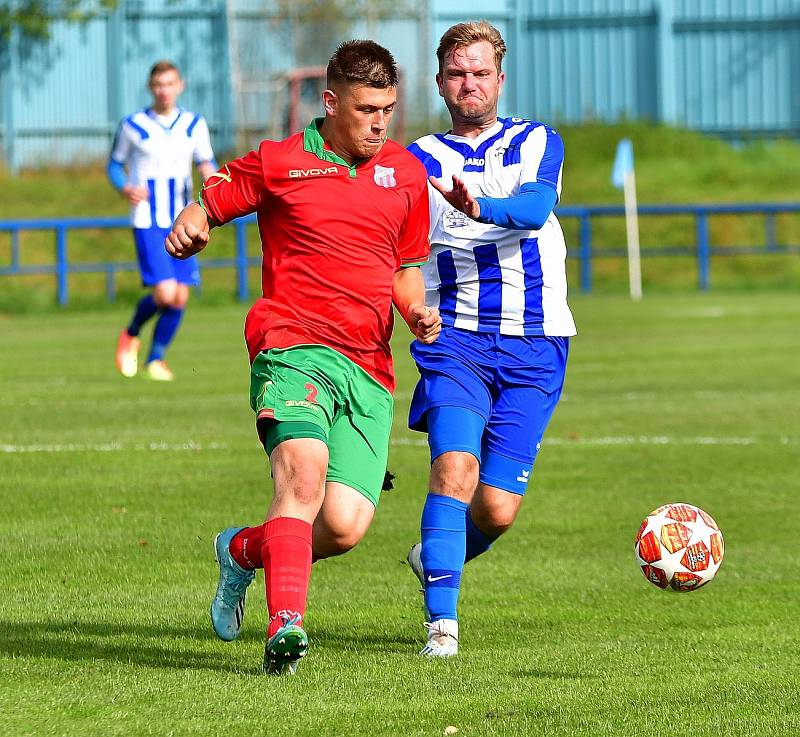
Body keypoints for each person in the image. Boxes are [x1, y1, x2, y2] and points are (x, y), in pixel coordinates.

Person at [165, 40, 440, 675]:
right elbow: (215, 195)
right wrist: (193, 219)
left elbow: (403, 268)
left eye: (389, 109)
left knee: (342, 525)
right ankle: (285, 626)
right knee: (302, 480)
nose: (379, 123)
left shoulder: (406, 173)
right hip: (292, 344)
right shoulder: (282, 161)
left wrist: (416, 312)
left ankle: (240, 552)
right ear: (330, 103)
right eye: (367, 109)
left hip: (368, 364)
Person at [404, 20, 576, 656]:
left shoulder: (537, 142)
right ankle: (441, 627)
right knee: (454, 468)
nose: (469, 83)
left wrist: (480, 209)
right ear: (441, 82)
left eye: (480, 72)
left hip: (537, 340)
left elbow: (531, 211)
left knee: (497, 508)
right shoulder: (416, 159)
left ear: (500, 79)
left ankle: (434, 555)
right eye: (457, 73)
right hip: (456, 337)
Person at [109, 60, 216, 381]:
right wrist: (125, 186)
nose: (163, 90)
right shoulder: (133, 125)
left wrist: (213, 185)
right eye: (158, 84)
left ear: (179, 86)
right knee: (166, 293)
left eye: (169, 84)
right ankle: (130, 333)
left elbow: (206, 163)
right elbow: (114, 165)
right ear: (150, 87)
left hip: (183, 217)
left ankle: (155, 359)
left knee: (180, 296)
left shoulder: (194, 124)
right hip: (147, 219)